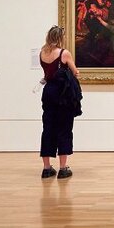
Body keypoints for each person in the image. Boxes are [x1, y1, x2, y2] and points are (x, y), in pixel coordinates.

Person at [39, 25, 81, 179]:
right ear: (60, 38)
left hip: (48, 92)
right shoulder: (64, 53)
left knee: (48, 127)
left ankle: (46, 167)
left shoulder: (43, 53)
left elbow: (47, 73)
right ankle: (63, 168)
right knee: (64, 128)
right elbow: (75, 71)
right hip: (63, 94)